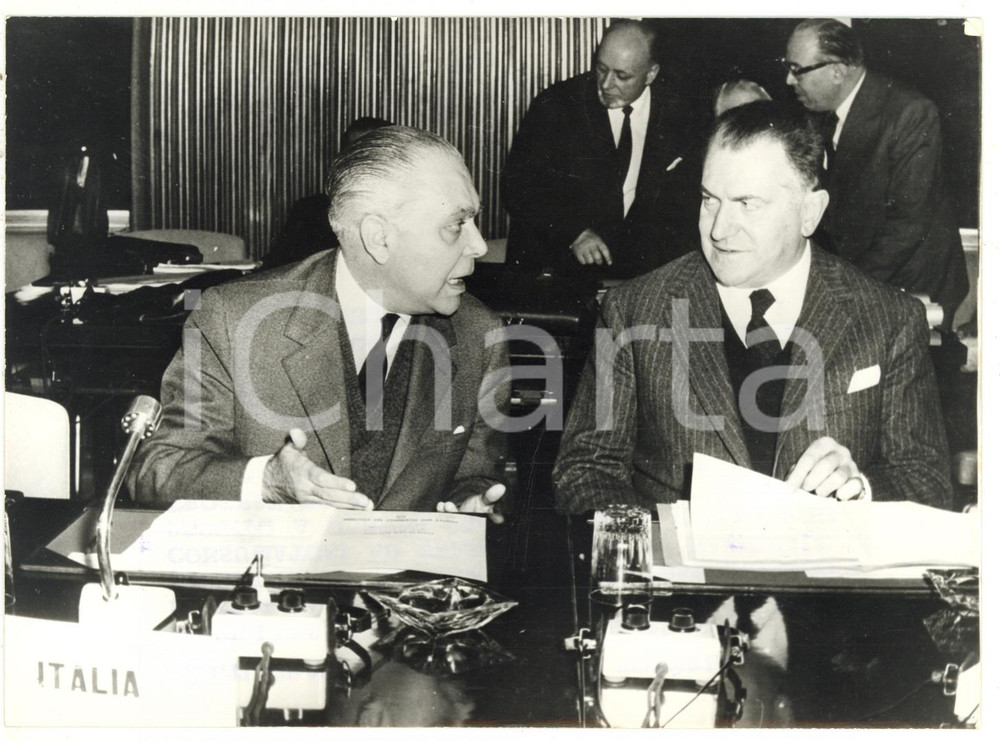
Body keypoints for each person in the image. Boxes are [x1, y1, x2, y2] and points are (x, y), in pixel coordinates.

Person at [553, 101, 952, 514]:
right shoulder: (633, 311)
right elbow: (584, 470)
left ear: (809, 213)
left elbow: (927, 480)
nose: (719, 230)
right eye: (710, 200)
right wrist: (652, 552)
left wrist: (861, 490)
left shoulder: (889, 319)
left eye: (747, 203)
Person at [128, 126, 509, 520]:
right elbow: (156, 471)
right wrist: (267, 480)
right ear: (379, 238)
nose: (479, 246)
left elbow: (475, 474)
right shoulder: (234, 318)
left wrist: (471, 501)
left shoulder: (479, 335)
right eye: (456, 225)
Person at [783, 19, 968, 330]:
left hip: (914, 286)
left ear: (838, 71)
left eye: (797, 69)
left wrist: (840, 286)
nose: (789, 80)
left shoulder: (911, 113)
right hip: (865, 277)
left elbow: (909, 223)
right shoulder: (817, 116)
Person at [501, 19, 699, 279]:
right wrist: (573, 232)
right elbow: (516, 185)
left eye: (622, 76)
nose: (606, 84)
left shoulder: (680, 111)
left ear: (651, 74)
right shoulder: (557, 104)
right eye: (601, 69)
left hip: (637, 269)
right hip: (557, 264)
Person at [261, 116, 393, 270]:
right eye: (353, 154)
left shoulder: (413, 210)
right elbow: (278, 267)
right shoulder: (309, 211)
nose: (362, 163)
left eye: (373, 154)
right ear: (340, 160)